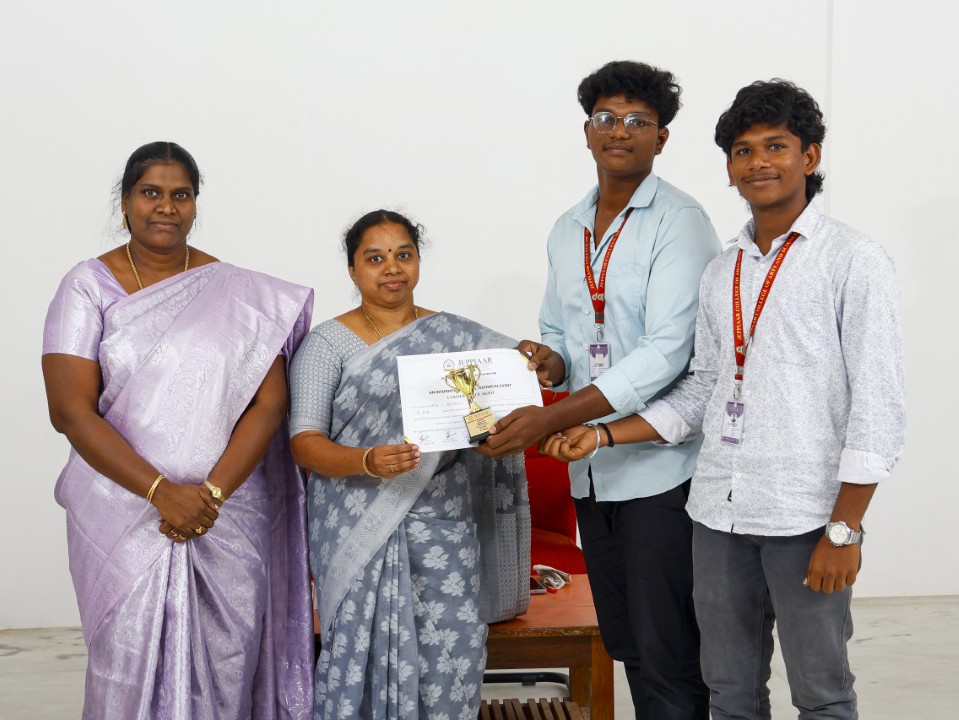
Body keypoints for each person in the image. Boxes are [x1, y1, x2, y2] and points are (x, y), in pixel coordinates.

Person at [540, 80, 906, 720]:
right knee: (730, 693)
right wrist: (601, 435)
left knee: (821, 694)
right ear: (729, 168)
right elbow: (703, 389)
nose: (758, 162)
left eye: (776, 147)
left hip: (803, 513)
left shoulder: (854, 260)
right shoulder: (724, 268)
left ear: (810, 157)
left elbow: (878, 404)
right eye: (743, 151)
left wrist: (844, 529)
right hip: (717, 513)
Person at [479, 61, 720, 719]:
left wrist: (548, 419)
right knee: (626, 640)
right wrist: (549, 364)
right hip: (591, 472)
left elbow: (666, 353)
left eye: (638, 121)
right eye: (607, 118)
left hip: (661, 471)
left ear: (661, 138)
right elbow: (560, 329)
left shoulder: (680, 222)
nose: (620, 131)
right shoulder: (567, 227)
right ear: (586, 131)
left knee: (668, 650)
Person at [41, 141, 315, 719]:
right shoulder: (88, 286)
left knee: (226, 664)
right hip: (123, 510)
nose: (166, 206)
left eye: (180, 195)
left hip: (227, 512)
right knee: (124, 665)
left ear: (195, 204)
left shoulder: (240, 294)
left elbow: (269, 404)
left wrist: (208, 496)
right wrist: (161, 492)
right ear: (124, 202)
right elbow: (69, 411)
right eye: (151, 193)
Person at [288, 210, 530, 720]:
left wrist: (540, 360)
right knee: (359, 650)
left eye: (403, 255)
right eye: (375, 258)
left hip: (443, 518)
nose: (391, 268)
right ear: (353, 270)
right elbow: (305, 443)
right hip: (355, 521)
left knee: (452, 651)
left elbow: (518, 374)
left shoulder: (453, 334)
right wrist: (367, 460)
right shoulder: (327, 344)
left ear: (418, 261)